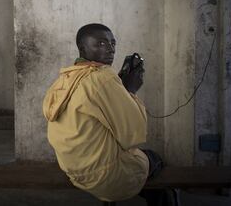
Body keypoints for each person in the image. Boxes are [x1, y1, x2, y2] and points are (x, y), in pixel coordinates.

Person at [43, 23, 170, 205]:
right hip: (106, 177)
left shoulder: (67, 77)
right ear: (82, 48)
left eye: (112, 43)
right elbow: (133, 135)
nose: (110, 49)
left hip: (75, 171)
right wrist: (131, 91)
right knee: (154, 159)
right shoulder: (104, 78)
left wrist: (121, 90)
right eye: (101, 44)